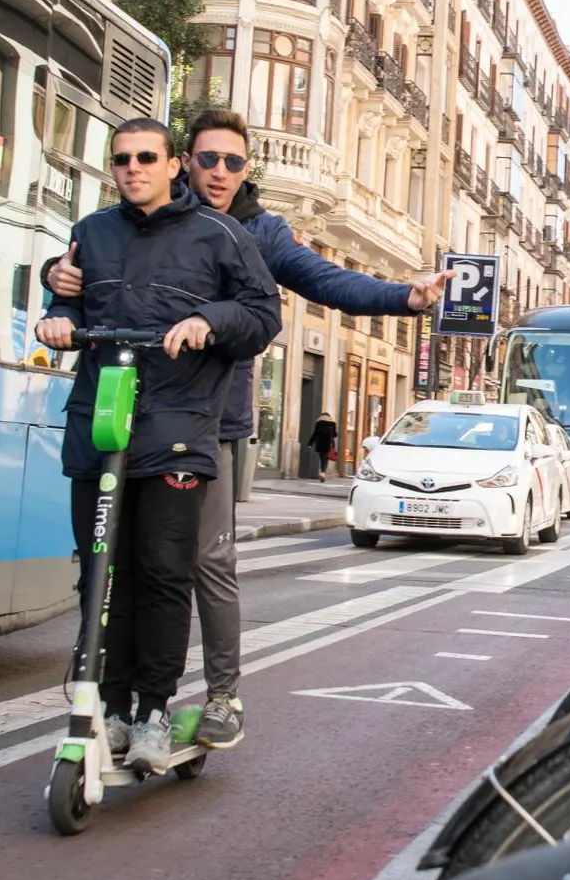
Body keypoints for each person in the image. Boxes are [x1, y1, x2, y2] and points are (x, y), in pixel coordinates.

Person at [44, 108, 455, 751]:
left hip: (213, 418)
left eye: (234, 162)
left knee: (199, 560)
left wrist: (404, 297)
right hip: (125, 413)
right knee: (113, 557)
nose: (220, 173)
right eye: (208, 159)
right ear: (185, 163)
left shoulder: (258, 231)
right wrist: (54, 280)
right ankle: (107, 676)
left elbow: (325, 280)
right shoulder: (138, 212)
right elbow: (95, 267)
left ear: (245, 169)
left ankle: (221, 694)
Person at [34, 118, 281, 775]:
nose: (133, 168)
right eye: (121, 159)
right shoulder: (91, 234)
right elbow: (67, 301)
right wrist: (56, 316)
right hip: (101, 429)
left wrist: (208, 320)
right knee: (100, 574)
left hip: (177, 433)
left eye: (147, 157)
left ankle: (153, 711)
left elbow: (263, 315)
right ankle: (109, 709)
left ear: (174, 165)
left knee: (163, 574)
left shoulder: (221, 234)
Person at [310, 413, 339, 481]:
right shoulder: (332, 424)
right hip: (329, 444)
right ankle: (323, 472)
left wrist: (310, 443)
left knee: (322, 458)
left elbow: (315, 434)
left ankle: (322, 471)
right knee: (325, 459)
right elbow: (334, 435)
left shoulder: (318, 423)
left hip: (320, 444)